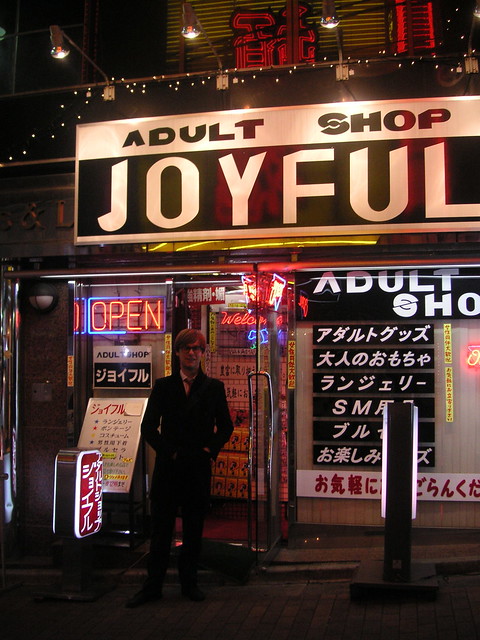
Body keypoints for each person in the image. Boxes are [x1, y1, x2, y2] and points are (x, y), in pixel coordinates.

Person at [126, 329, 233, 607]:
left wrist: (209, 450)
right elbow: (148, 427)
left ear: (203, 353)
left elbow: (226, 427)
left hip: (197, 467)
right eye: (186, 348)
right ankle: (152, 587)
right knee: (160, 531)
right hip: (168, 468)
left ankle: (190, 584)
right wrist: (168, 452)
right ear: (177, 353)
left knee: (194, 530)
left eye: (197, 348)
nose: (192, 353)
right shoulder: (163, 387)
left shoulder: (214, 388)